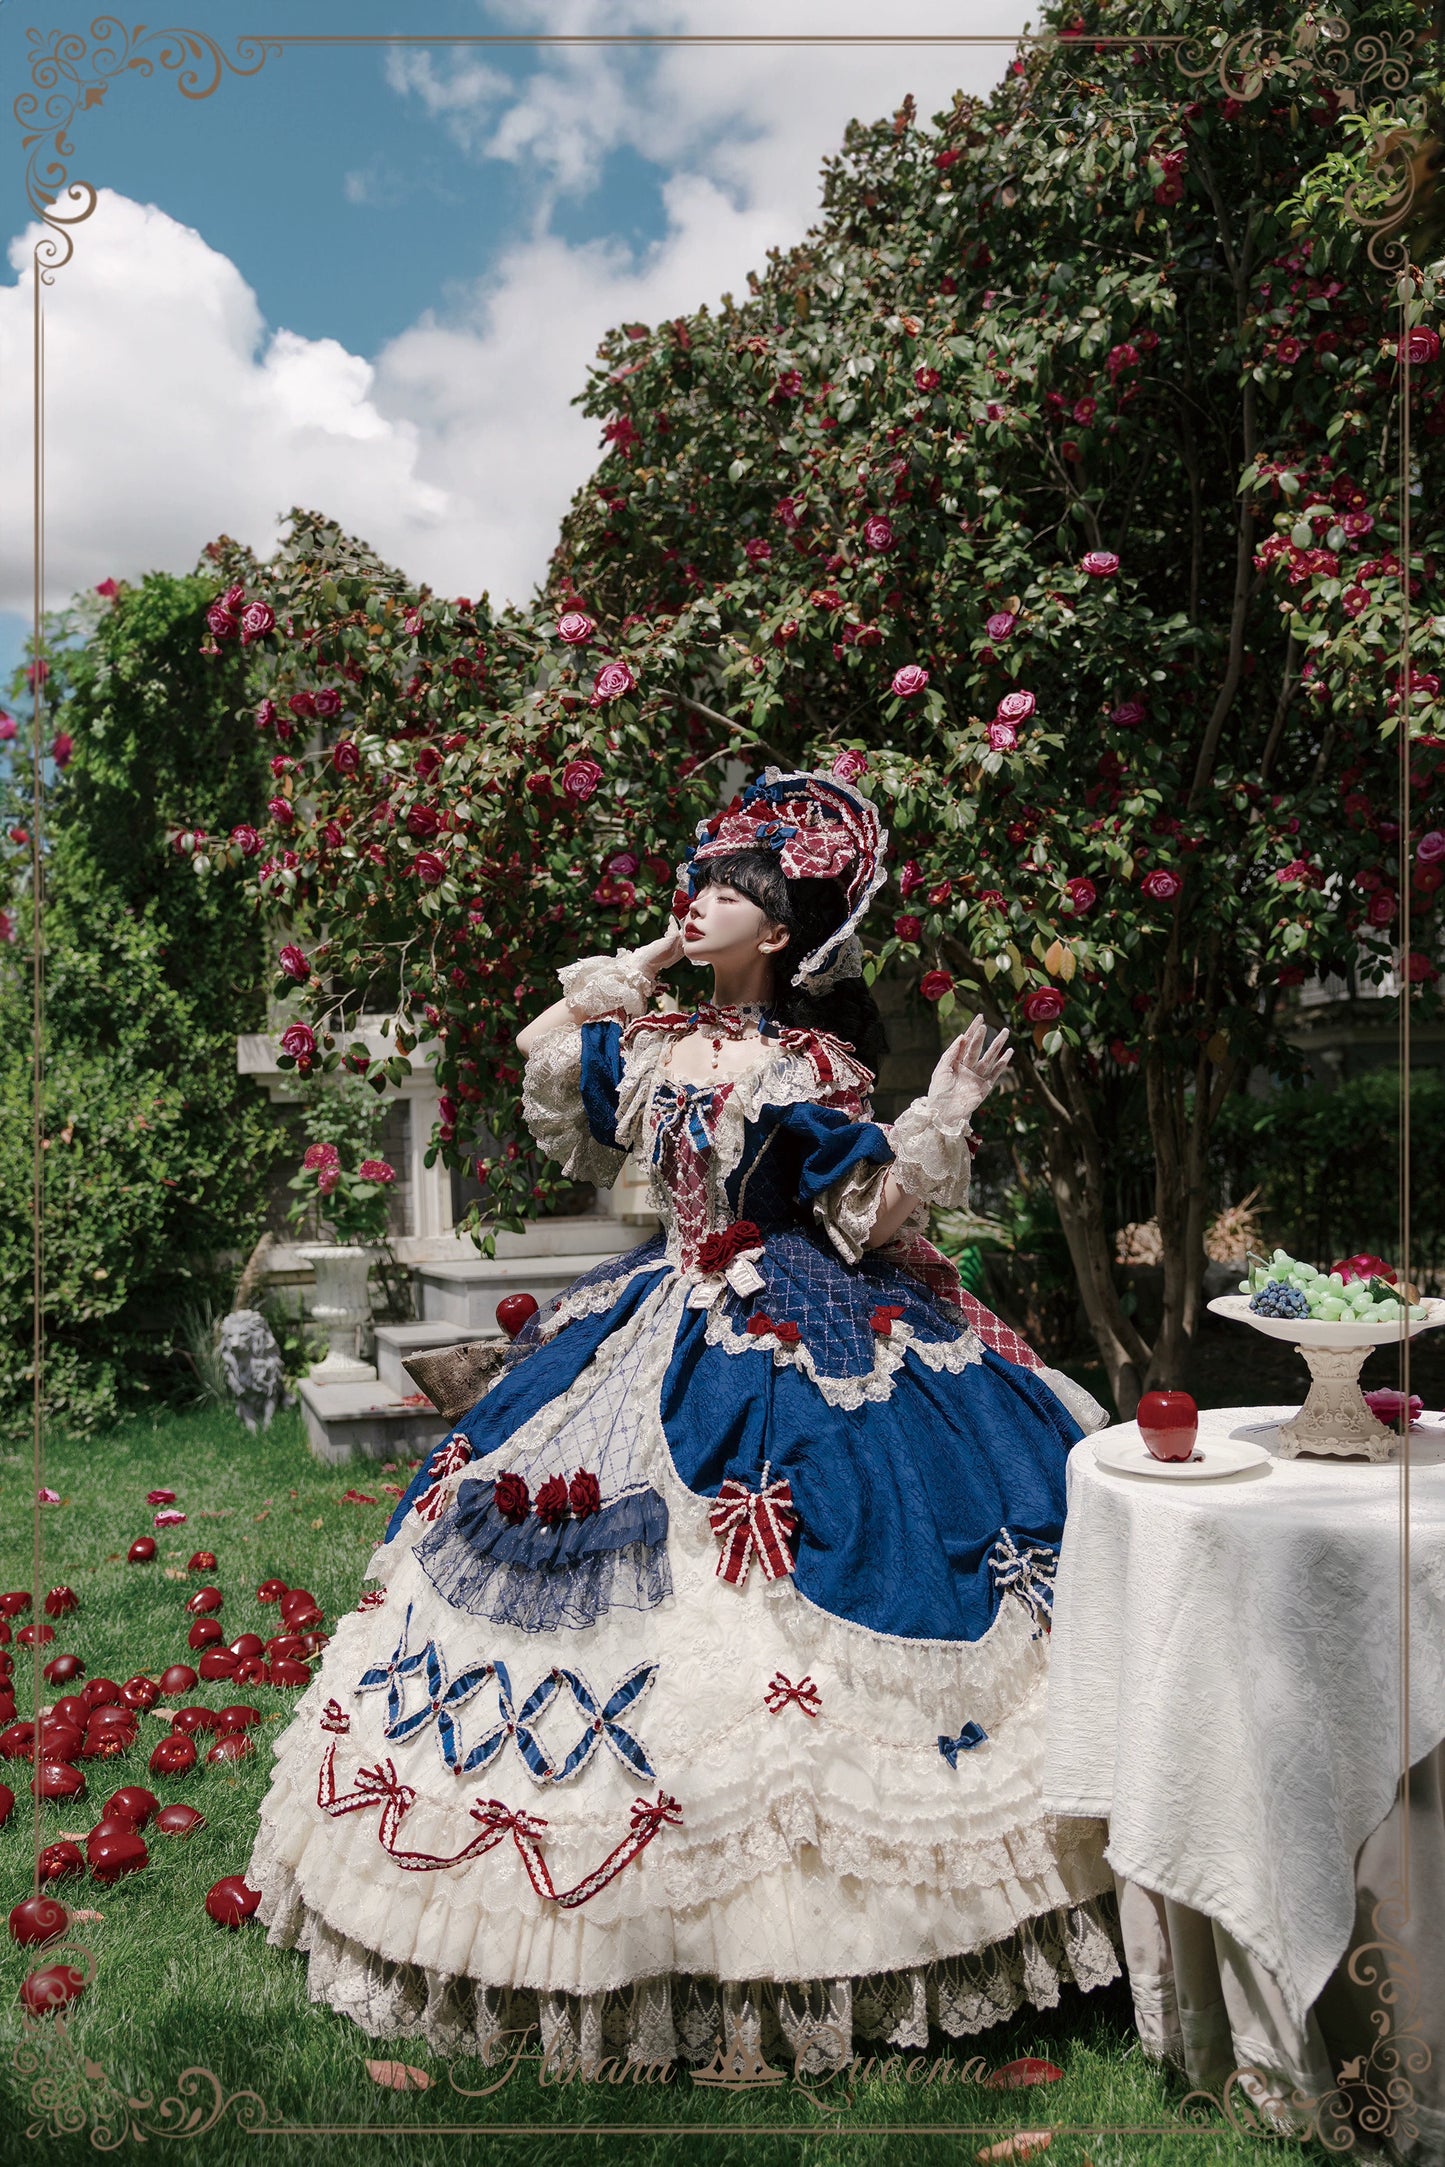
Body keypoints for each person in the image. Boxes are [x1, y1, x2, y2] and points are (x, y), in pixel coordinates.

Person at [249, 766, 1118, 2079]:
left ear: (780, 932)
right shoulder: (651, 1040)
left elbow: (864, 1218)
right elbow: (544, 1046)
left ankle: (836, 1918)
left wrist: (939, 1115)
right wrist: (649, 959)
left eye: (728, 894)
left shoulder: (807, 1064)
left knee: (812, 1551)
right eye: (695, 885)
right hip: (656, 1307)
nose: (698, 903)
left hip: (789, 1308)